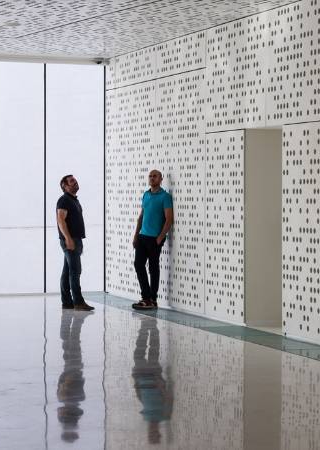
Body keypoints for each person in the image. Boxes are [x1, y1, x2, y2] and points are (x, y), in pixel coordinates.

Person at [132, 170, 173, 310]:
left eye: (155, 176)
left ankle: (152, 299)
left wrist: (160, 237)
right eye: (150, 176)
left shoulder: (165, 197)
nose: (152, 178)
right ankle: (146, 297)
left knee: (153, 268)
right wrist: (136, 235)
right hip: (142, 237)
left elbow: (169, 220)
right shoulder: (146, 194)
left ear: (161, 179)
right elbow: (141, 217)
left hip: (155, 239)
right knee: (138, 265)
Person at [56, 175, 94, 311]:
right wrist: (68, 239)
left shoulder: (73, 200)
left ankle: (67, 302)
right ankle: (78, 302)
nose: (75, 182)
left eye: (75, 180)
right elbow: (61, 220)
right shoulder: (64, 200)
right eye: (72, 181)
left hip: (75, 240)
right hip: (70, 240)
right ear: (65, 186)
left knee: (68, 271)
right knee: (75, 271)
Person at [132, 317, 173, 443]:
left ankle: (145, 326)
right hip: (154, 378)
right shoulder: (164, 416)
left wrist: (136, 382)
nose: (151, 430)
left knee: (139, 352)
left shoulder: (146, 417)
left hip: (142, 377)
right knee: (153, 349)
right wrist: (160, 383)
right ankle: (153, 327)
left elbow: (141, 398)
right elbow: (169, 398)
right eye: (154, 433)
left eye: (150, 433)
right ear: (158, 433)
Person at [57, 309, 91, 443]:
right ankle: (76, 321)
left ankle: (75, 321)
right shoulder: (67, 398)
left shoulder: (72, 399)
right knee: (71, 343)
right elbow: (68, 383)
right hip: (72, 370)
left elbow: (65, 383)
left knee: (70, 344)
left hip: (72, 369)